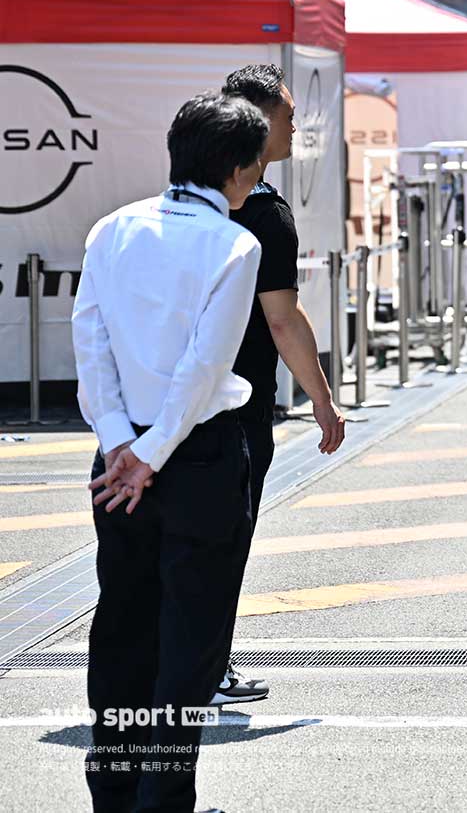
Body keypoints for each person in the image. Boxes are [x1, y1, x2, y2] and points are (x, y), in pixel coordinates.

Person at [73, 92, 268, 811]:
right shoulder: (234, 245)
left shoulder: (112, 228)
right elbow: (204, 368)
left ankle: (115, 794)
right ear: (238, 171)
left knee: (122, 626)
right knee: (191, 641)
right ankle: (161, 801)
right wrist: (152, 452)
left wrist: (119, 443)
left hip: (117, 461)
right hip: (197, 455)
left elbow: (90, 340)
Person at [203, 65, 347, 707]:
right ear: (257, 124)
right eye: (287, 115)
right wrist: (323, 400)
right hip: (238, 405)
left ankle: (169, 661)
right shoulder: (266, 215)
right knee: (225, 538)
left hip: (166, 404)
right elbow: (283, 320)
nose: (295, 125)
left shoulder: (176, 206)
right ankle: (208, 667)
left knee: (171, 544)